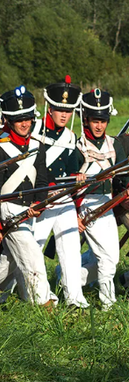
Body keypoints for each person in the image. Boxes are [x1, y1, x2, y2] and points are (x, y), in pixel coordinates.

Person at [0, 87, 54, 307]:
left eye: (28, 118)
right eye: (19, 119)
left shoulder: (37, 146)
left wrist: (39, 203)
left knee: (8, 261)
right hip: (7, 210)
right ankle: (44, 305)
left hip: (28, 211)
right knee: (33, 258)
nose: (24, 123)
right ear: (9, 121)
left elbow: (42, 180)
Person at [28, 76, 87, 307]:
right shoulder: (34, 131)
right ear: (49, 108)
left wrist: (78, 177)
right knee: (33, 249)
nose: (64, 115)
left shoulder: (71, 137)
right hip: (41, 200)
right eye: (59, 110)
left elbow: (72, 170)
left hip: (64, 201)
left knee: (71, 250)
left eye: (68, 111)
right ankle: (32, 295)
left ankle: (75, 298)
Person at [73, 89, 126, 306]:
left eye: (103, 121)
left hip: (107, 204)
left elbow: (123, 178)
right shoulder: (77, 147)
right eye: (95, 121)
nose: (99, 126)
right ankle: (108, 303)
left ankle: (69, 276)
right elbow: (67, 187)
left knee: (110, 258)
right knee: (107, 259)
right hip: (87, 204)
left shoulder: (115, 145)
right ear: (86, 120)